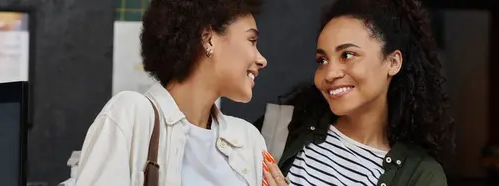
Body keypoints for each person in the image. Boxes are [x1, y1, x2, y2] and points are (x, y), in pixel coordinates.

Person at [256, 0, 454, 185]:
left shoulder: (422, 176)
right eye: (322, 60)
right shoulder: (283, 127)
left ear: (393, 62)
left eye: (347, 55)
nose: (330, 73)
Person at [74, 0, 270, 185]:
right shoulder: (130, 116)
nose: (262, 60)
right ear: (208, 39)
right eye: (251, 40)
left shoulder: (249, 141)